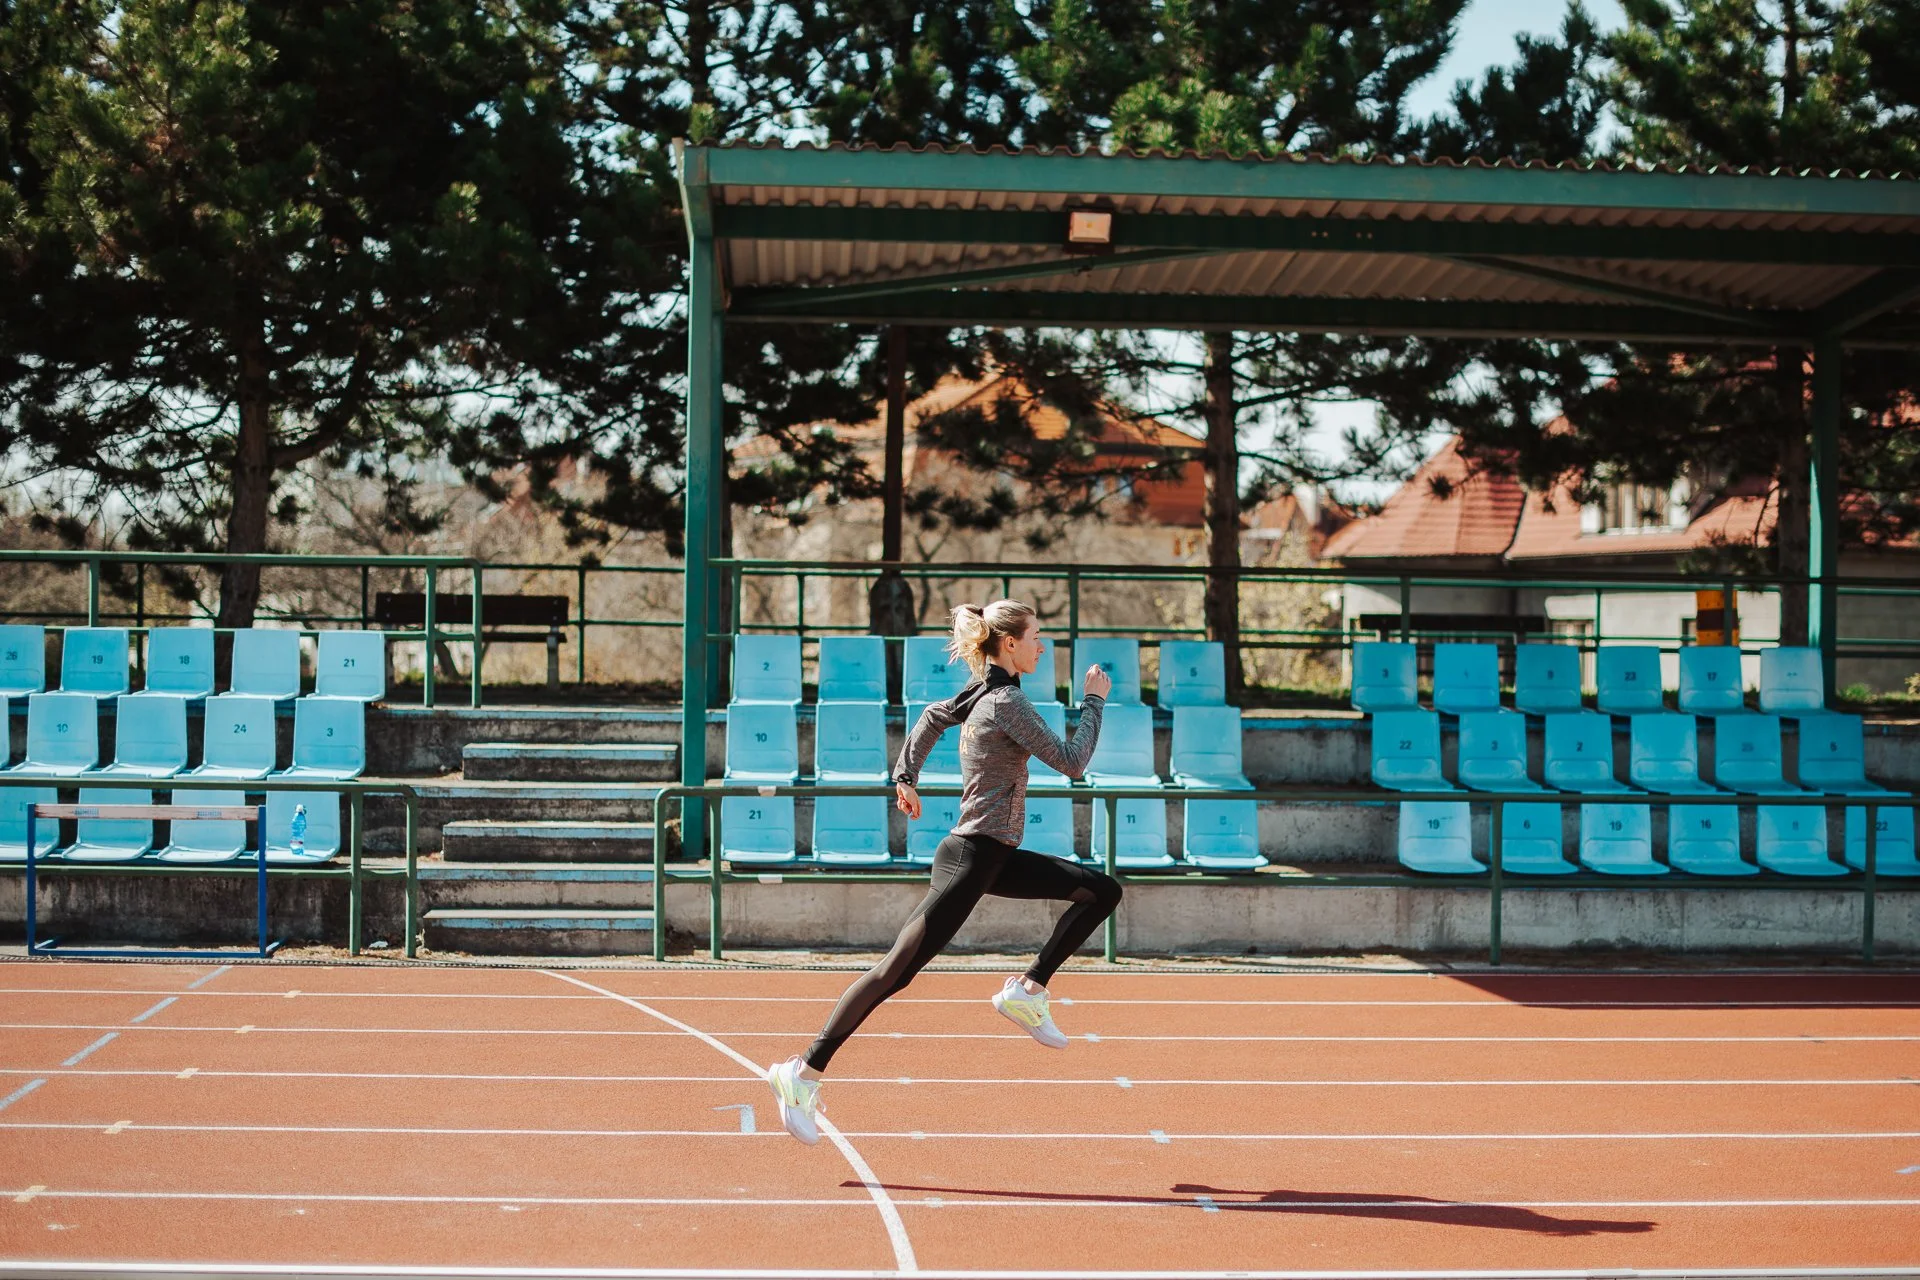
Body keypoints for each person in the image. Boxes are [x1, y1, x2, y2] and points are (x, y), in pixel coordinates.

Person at [766, 599, 1123, 1144]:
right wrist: (1094, 703)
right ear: (1009, 643)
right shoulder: (1004, 701)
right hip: (971, 858)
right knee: (895, 972)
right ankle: (803, 1071)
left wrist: (905, 774)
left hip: (994, 856)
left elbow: (933, 716)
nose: (1041, 646)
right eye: (1034, 637)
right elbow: (1073, 762)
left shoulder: (983, 693)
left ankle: (1028, 990)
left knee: (1101, 891)